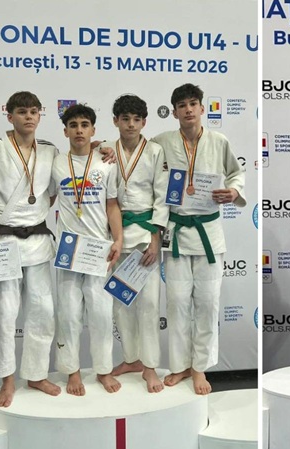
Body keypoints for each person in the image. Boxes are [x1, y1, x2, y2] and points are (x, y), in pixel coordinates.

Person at [151, 83, 245, 395]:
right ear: (174, 112)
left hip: (208, 234)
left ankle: (199, 367)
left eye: (193, 103)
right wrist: (105, 147)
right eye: (182, 105)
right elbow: (136, 154)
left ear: (202, 108)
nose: (188, 109)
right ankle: (180, 365)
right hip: (176, 233)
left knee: (207, 304)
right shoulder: (162, 142)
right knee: (177, 303)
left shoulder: (219, 141)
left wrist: (233, 192)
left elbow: (236, 174)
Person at [0, 92, 61, 407]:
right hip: (4, 242)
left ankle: (36, 374)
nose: (29, 117)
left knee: (42, 310)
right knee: (5, 313)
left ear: (40, 115)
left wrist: (97, 149)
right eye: (22, 112)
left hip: (37, 240)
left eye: (34, 111)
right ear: (9, 115)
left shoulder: (50, 151)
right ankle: (7, 381)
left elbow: (56, 189)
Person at [51, 104, 123, 395]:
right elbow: (44, 198)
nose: (79, 130)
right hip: (68, 251)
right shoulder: (56, 163)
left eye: (84, 125)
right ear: (65, 131)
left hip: (98, 250)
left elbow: (112, 205)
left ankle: (104, 370)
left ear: (93, 130)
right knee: (68, 315)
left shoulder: (106, 162)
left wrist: (118, 240)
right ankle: (72, 372)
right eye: (73, 125)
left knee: (102, 315)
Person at [108, 95, 168, 393]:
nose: (130, 125)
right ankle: (131, 359)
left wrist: (156, 239)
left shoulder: (155, 151)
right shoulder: (107, 151)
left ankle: (150, 366)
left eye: (136, 119)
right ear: (115, 121)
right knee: (121, 302)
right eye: (125, 119)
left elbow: (162, 197)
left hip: (146, 236)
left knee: (149, 304)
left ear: (144, 122)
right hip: (116, 235)